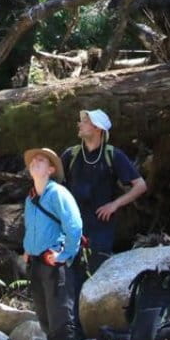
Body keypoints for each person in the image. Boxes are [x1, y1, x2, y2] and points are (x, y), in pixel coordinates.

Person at [21, 146, 84, 340]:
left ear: (51, 169)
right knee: (46, 320)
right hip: (36, 264)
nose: (35, 163)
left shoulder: (58, 194)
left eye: (41, 161)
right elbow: (30, 227)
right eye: (33, 161)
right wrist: (26, 249)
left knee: (61, 321)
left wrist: (65, 254)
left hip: (54, 264)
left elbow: (75, 225)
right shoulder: (30, 198)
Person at [59, 109, 147, 281]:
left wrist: (114, 205)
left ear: (98, 128)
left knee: (96, 277)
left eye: (85, 121)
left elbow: (140, 185)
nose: (79, 124)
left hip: (100, 230)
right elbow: (56, 186)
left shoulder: (113, 155)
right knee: (71, 279)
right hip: (71, 228)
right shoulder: (71, 154)